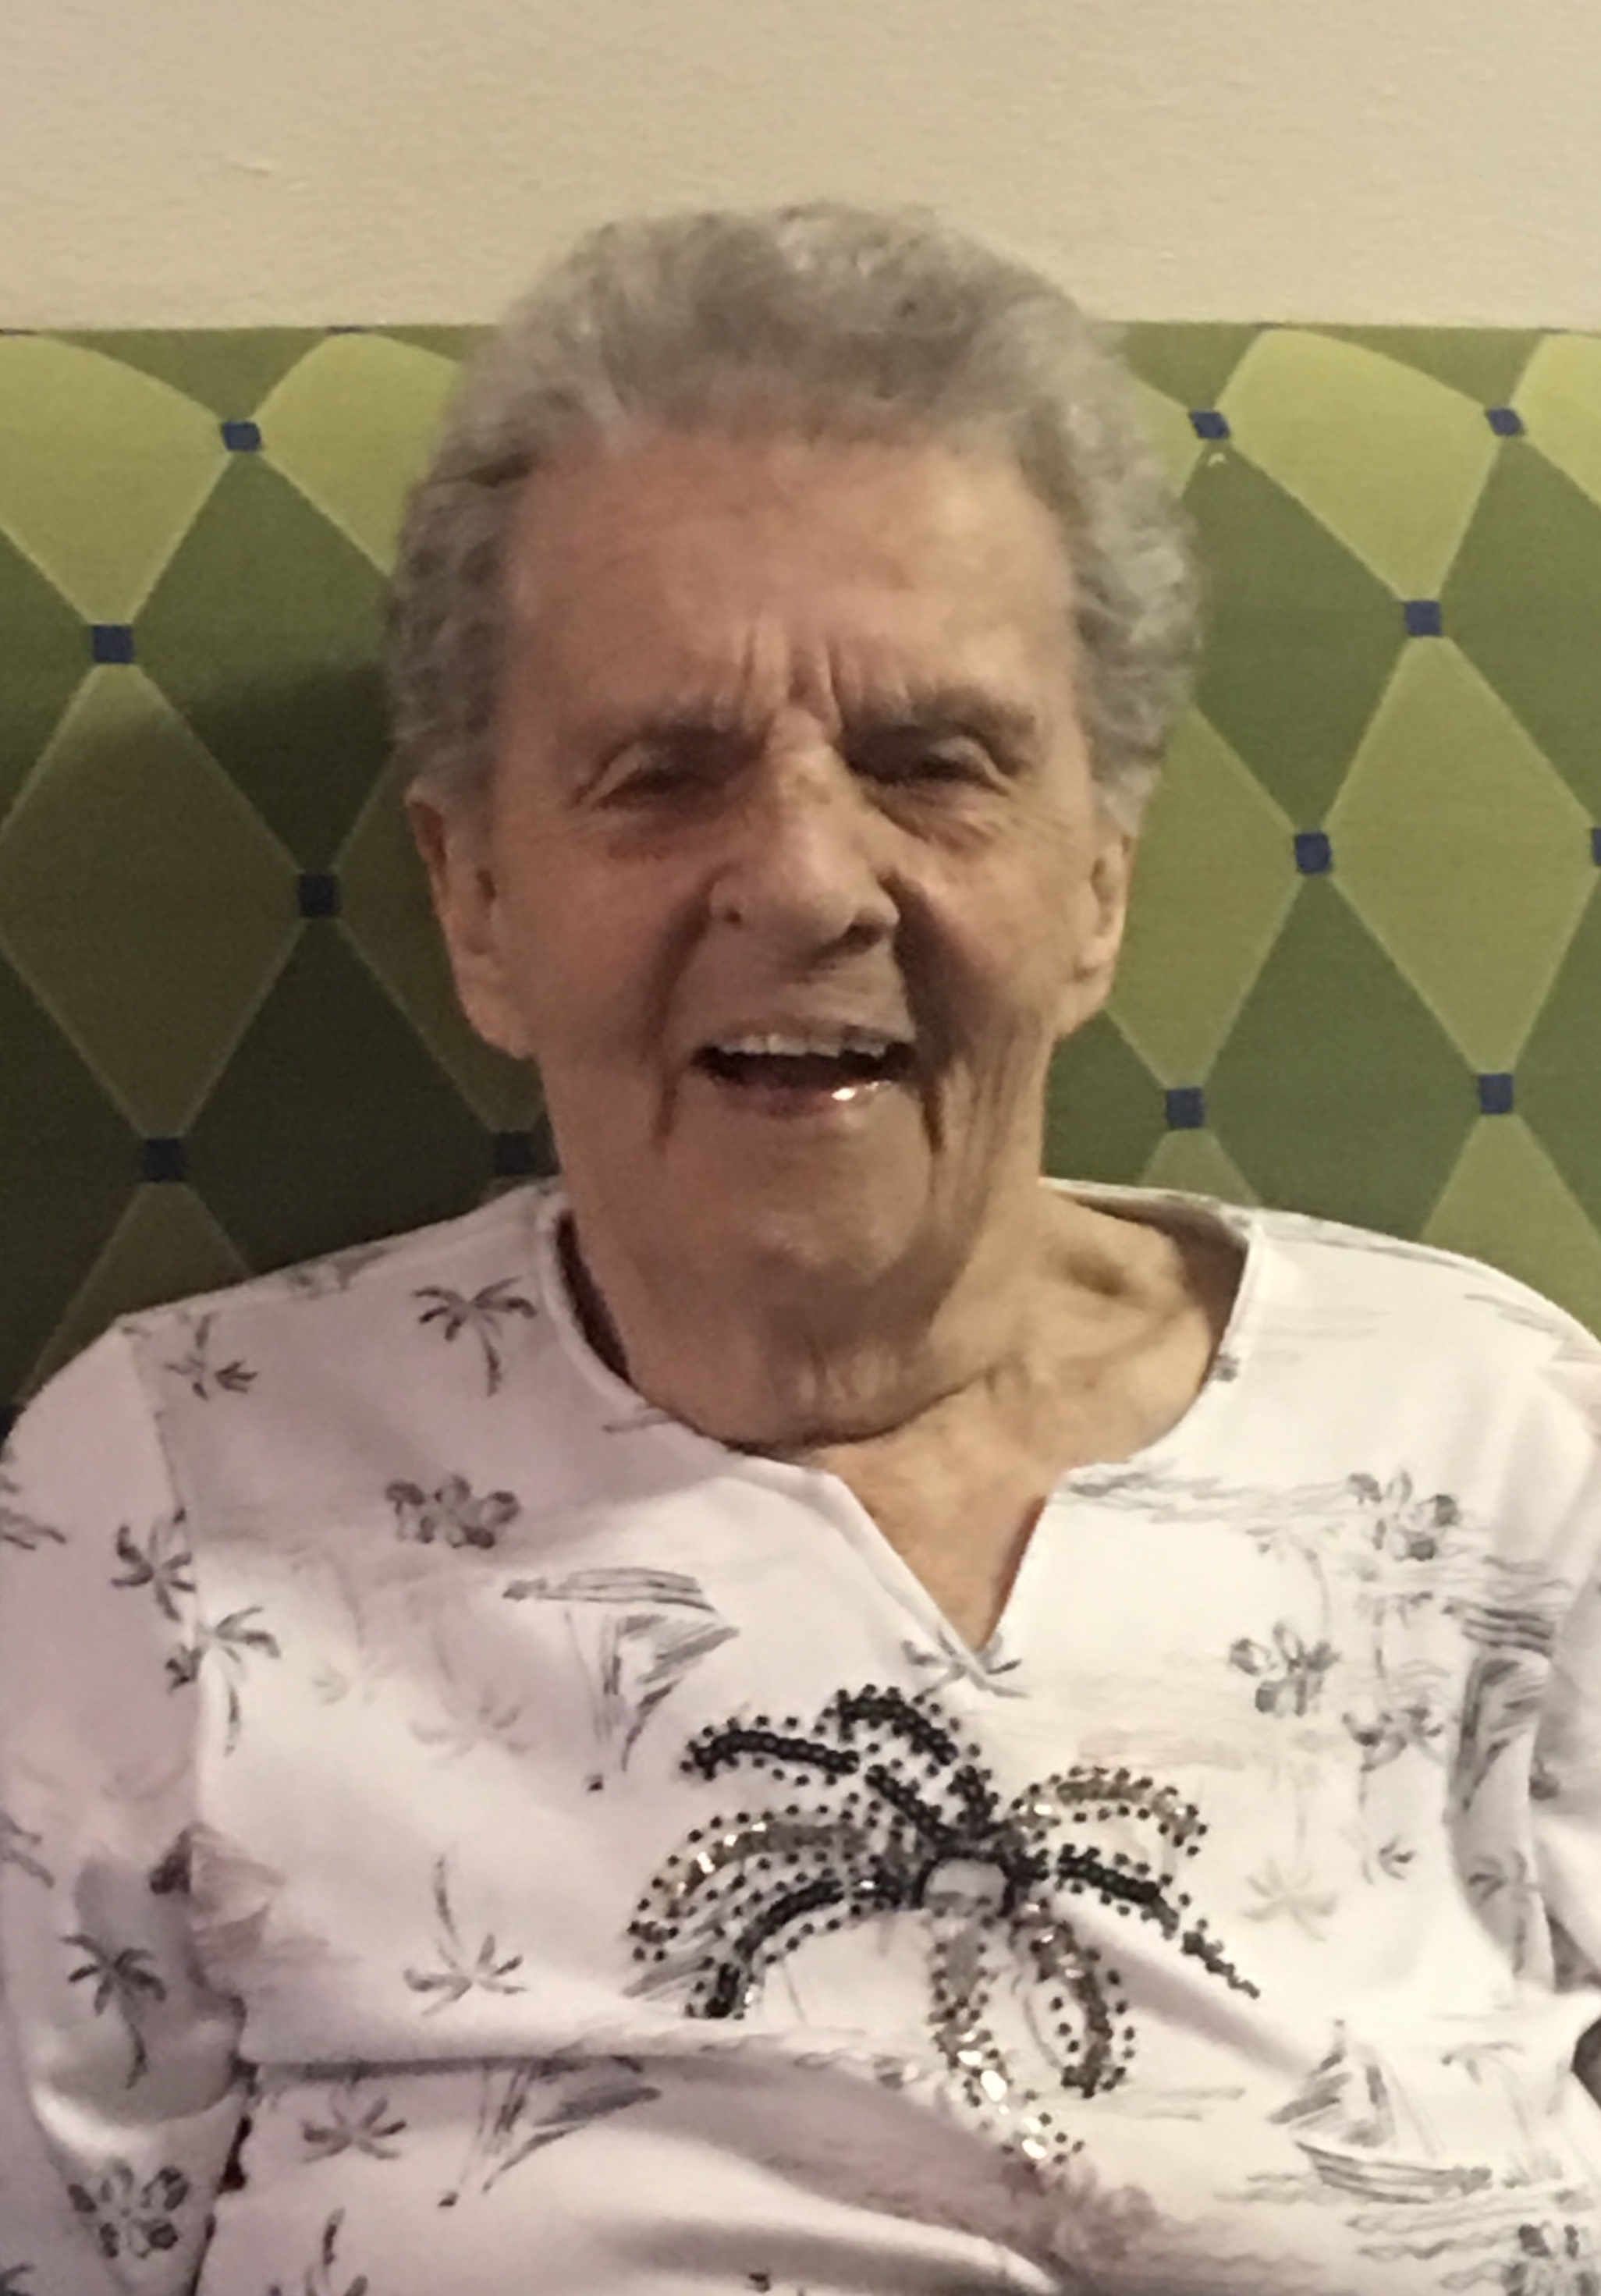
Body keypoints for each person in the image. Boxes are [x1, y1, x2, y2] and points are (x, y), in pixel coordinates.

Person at [2, 204, 1601, 2296]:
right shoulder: (171, 1501)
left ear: (1097, 884)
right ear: (476, 896)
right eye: (663, 774)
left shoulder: (1496, 1439)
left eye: (933, 764)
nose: (807, 878)